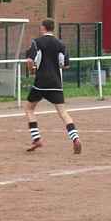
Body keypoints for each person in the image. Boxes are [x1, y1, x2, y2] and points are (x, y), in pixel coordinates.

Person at [24, 18, 81, 154]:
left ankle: (36, 138)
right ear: (52, 28)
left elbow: (29, 60)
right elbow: (65, 64)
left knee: (29, 109)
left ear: (43, 28)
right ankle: (75, 138)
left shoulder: (37, 42)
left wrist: (32, 70)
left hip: (41, 82)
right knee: (63, 113)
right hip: (56, 83)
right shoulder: (60, 44)